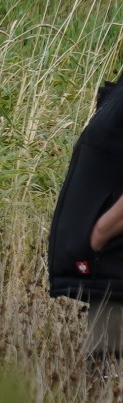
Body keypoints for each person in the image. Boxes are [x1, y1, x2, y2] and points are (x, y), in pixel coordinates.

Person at [47, 74, 123, 369]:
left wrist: (101, 232)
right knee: (102, 377)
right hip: (110, 273)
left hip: (116, 269)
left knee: (107, 378)